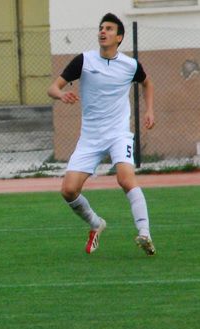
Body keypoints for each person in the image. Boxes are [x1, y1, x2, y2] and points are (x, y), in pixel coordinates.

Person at [47, 13, 156, 256]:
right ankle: (96, 224)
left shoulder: (130, 65)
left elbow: (148, 83)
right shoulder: (84, 61)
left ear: (119, 37)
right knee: (68, 190)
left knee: (125, 178)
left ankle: (145, 233)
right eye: (101, 28)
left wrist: (149, 110)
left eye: (108, 28)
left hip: (118, 134)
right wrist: (61, 95)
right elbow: (53, 87)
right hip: (90, 137)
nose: (102, 31)